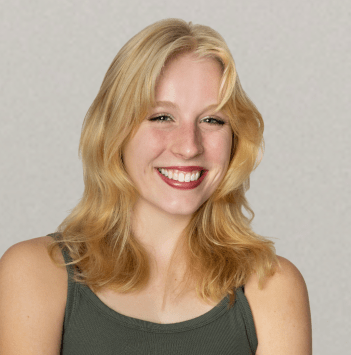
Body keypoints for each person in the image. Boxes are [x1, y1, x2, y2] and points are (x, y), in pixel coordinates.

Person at [0, 18, 312, 354]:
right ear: (114, 131)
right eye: (161, 117)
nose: (189, 146)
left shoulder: (273, 287)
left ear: (235, 139)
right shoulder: (33, 273)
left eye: (212, 120)